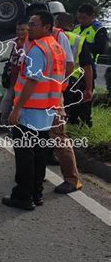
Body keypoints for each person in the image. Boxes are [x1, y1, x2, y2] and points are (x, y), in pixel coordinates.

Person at [2, 11, 65, 211]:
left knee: (24, 156)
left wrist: (17, 109)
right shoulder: (56, 48)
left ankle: (23, 196)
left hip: (29, 111)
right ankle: (36, 194)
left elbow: (31, 81)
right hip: (45, 112)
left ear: (47, 27)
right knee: (38, 154)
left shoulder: (38, 49)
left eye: (34, 24)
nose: (30, 27)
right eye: (29, 24)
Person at [47, 13, 93, 194]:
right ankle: (42, 166)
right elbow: (87, 66)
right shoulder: (74, 38)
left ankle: (72, 179)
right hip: (65, 86)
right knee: (47, 133)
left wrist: (86, 88)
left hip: (63, 88)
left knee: (59, 133)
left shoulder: (61, 37)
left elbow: (77, 64)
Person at [72, 4, 108, 126]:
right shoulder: (76, 29)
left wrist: (83, 46)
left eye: (84, 18)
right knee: (72, 97)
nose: (81, 20)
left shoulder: (99, 29)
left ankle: (86, 122)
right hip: (74, 69)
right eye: (79, 18)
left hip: (89, 67)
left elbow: (101, 48)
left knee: (86, 98)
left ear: (92, 16)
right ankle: (72, 121)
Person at [0, 20, 28, 126]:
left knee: (19, 105)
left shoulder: (30, 44)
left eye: (22, 30)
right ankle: (4, 123)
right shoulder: (15, 42)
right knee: (6, 101)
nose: (20, 32)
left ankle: (16, 127)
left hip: (23, 81)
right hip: (12, 79)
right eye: (18, 30)